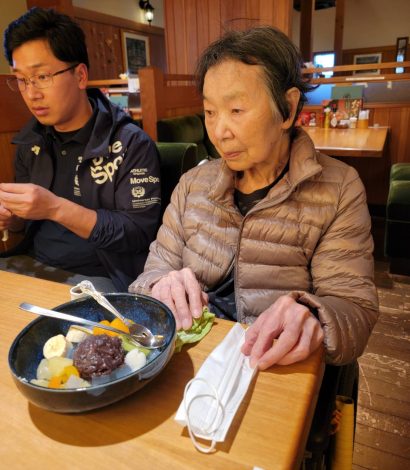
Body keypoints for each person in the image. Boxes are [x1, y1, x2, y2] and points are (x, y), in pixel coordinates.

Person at [129, 26, 379, 369]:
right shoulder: (192, 184)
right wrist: (160, 284)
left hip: (274, 367)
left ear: (287, 109)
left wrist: (313, 316)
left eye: (236, 110)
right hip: (190, 366)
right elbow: (151, 273)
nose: (219, 132)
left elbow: (355, 310)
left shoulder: (338, 188)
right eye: (210, 112)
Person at [0, 7, 161, 292]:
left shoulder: (130, 143)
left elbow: (138, 232)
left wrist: (55, 208)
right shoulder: (29, 143)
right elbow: (20, 230)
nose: (32, 93)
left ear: (80, 75)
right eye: (22, 80)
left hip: (101, 280)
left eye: (42, 76)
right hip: (29, 266)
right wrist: (13, 218)